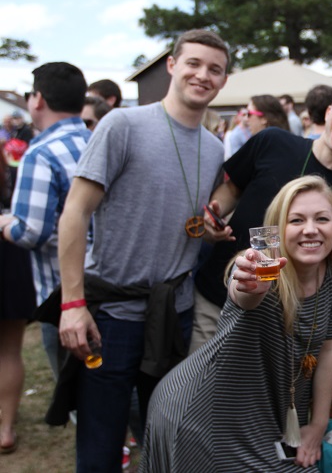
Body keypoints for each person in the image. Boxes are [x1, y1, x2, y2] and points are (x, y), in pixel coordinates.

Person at [57, 29, 228, 472]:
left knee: (166, 441)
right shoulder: (123, 125)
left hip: (174, 315)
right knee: (100, 447)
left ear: (224, 80)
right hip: (111, 316)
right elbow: (74, 213)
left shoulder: (214, 148)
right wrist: (72, 304)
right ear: (171, 65)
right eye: (193, 63)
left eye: (215, 69)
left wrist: (209, 231)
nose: (202, 75)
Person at [141, 176, 332, 472]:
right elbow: (243, 293)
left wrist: (318, 424)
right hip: (200, 414)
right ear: (277, 229)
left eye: (322, 218)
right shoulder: (262, 271)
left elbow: (329, 346)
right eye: (297, 220)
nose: (311, 229)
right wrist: (247, 284)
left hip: (263, 414)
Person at [191, 80, 332, 351]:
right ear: (328, 113)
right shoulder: (272, 141)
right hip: (216, 296)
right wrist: (213, 216)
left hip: (277, 322)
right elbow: (230, 190)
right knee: (199, 387)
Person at [0, 62, 91, 379]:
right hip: (107, 285)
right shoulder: (95, 141)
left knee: (77, 394)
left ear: (37, 99)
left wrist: (4, 223)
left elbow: (30, 233)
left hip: (61, 296)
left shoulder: (40, 153)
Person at [0, 142, 37, 455]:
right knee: (10, 350)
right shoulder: (13, 165)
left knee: (10, 350)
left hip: (9, 251)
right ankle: (6, 428)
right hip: (10, 256)